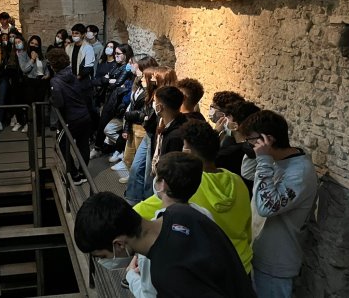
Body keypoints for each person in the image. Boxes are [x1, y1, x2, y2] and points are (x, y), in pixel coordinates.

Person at [74, 186, 255, 298]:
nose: (104, 261)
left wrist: (131, 275)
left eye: (102, 256)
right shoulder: (181, 212)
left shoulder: (165, 275)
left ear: (119, 245)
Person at [134, 119, 254, 274]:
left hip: (208, 272)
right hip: (241, 264)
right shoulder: (237, 181)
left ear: (187, 152)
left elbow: (135, 214)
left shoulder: (185, 186)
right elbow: (247, 227)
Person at [239, 110, 318, 297]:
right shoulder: (275, 160)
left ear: (269, 139)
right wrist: (256, 155)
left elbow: (267, 207)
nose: (249, 145)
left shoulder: (300, 173)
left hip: (276, 263)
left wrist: (264, 159)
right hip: (259, 253)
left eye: (251, 140)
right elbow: (248, 174)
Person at [124, 152, 214, 298]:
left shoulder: (154, 234)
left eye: (157, 177)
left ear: (162, 185)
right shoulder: (204, 214)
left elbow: (149, 294)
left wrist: (131, 276)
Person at [125, 66, 177, 204]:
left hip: (155, 136)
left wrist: (146, 119)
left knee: (150, 173)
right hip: (149, 134)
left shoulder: (165, 99)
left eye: (153, 76)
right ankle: (133, 199)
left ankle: (148, 204)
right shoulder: (153, 94)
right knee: (136, 168)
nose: (147, 79)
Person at [46, 48, 90, 185]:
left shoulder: (56, 81)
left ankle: (75, 175)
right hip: (84, 115)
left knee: (63, 144)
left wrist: (51, 100)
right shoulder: (72, 75)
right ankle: (83, 173)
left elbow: (58, 101)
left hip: (70, 119)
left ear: (53, 65)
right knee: (83, 145)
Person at [90, 44, 134, 159]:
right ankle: (101, 148)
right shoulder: (116, 65)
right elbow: (106, 80)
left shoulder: (126, 68)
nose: (116, 55)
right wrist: (109, 80)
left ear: (126, 55)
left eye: (118, 54)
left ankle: (117, 149)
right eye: (115, 53)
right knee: (102, 125)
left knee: (107, 126)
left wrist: (109, 80)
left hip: (117, 101)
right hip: (109, 98)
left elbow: (116, 83)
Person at [119, 55, 158, 184]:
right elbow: (132, 105)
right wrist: (126, 127)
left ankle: (136, 184)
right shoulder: (138, 83)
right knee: (128, 157)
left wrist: (130, 115)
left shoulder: (151, 89)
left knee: (139, 161)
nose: (137, 71)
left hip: (141, 127)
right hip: (132, 125)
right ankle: (133, 179)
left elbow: (146, 112)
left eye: (140, 69)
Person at [214, 100, 261, 195]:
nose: (224, 121)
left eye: (227, 118)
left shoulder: (228, 154)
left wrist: (214, 134)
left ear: (235, 126)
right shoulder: (259, 147)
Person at [20, 35, 50, 130]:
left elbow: (45, 67)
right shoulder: (23, 54)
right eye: (32, 43)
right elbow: (24, 69)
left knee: (39, 107)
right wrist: (32, 59)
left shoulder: (41, 54)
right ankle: (31, 128)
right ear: (29, 43)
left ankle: (39, 129)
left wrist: (47, 74)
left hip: (41, 82)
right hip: (30, 82)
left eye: (36, 44)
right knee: (31, 107)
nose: (34, 45)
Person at [92, 40, 119, 107]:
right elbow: (96, 76)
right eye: (107, 46)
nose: (108, 48)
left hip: (107, 94)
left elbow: (109, 80)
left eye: (111, 47)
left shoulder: (115, 64)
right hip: (98, 92)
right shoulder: (102, 62)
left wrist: (102, 80)